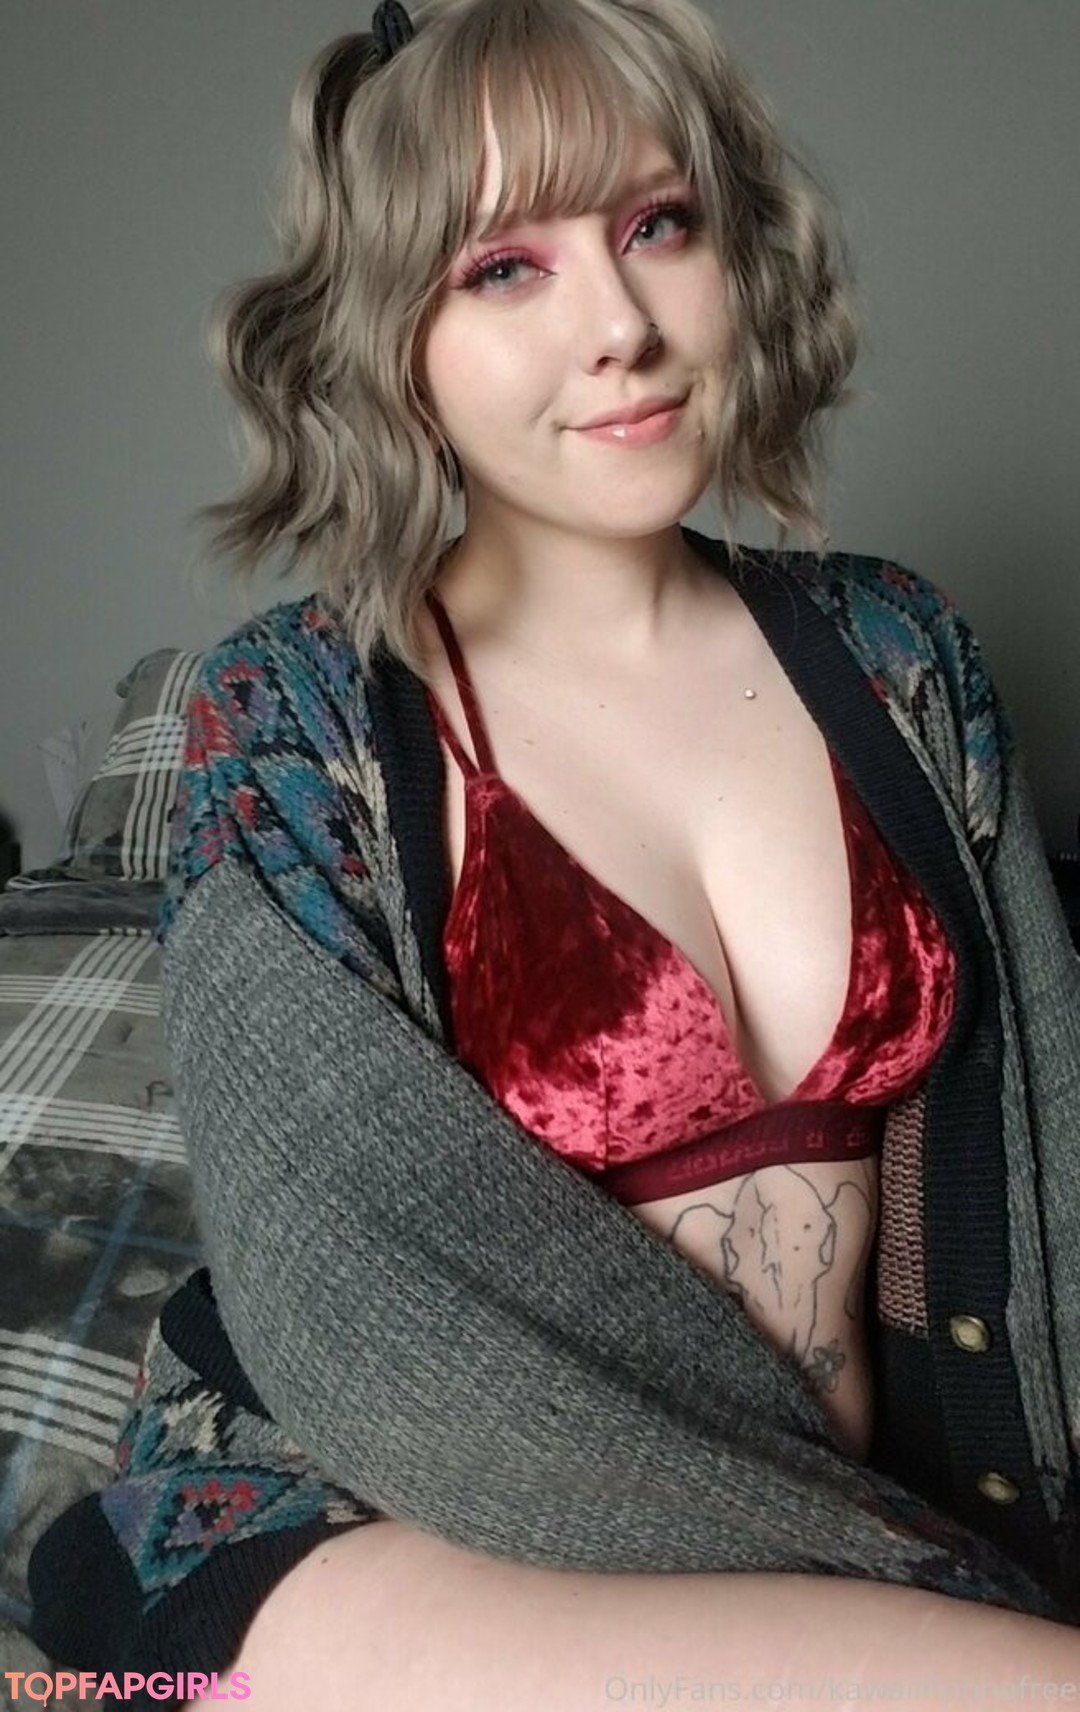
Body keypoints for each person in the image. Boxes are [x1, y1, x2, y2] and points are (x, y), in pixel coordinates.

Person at [28, 0, 1080, 1705]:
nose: (621, 327)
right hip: (400, 1516)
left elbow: (1047, 1162)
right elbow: (348, 1284)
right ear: (395, 336)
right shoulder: (290, 716)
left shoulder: (902, 657)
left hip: (860, 1546)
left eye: (659, 226)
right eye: (505, 267)